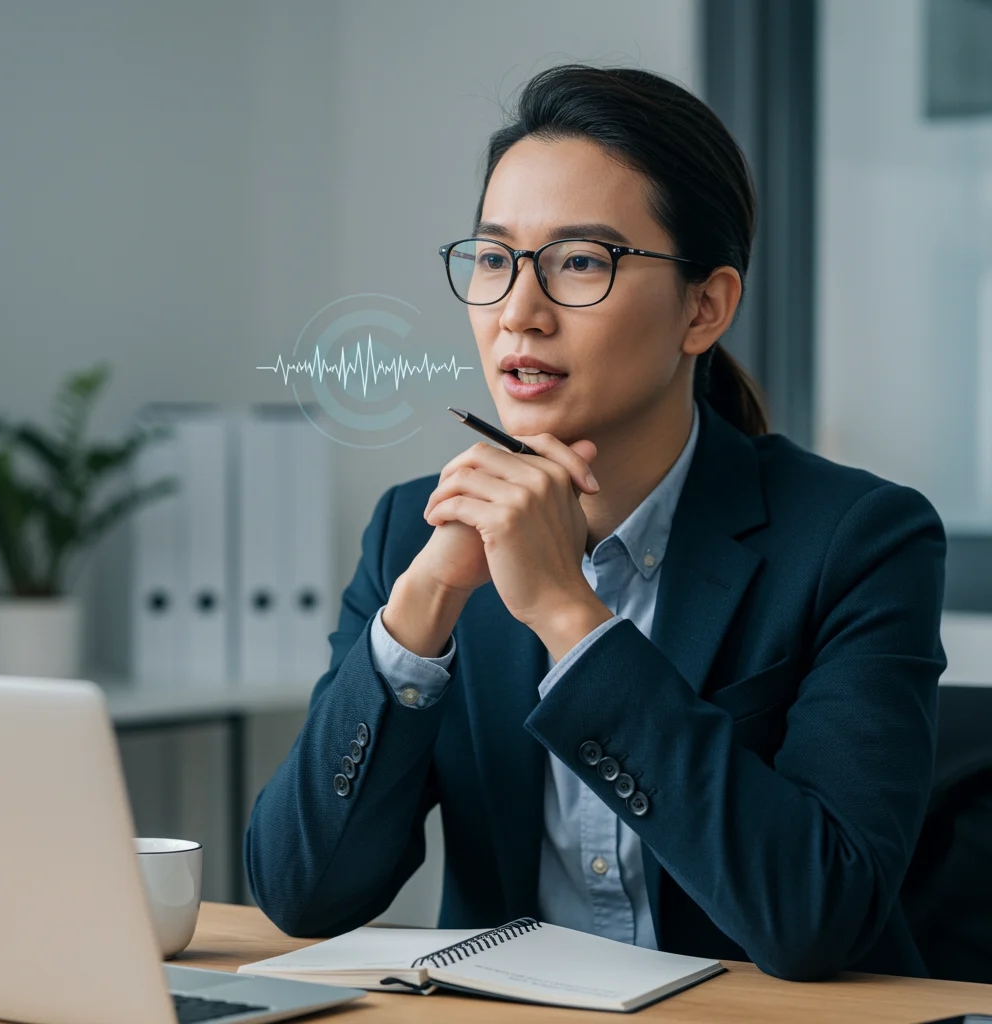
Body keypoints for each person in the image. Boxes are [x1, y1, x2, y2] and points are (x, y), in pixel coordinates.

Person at [243, 63, 947, 983]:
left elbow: (817, 915)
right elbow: (300, 894)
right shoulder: (413, 532)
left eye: (580, 261)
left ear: (704, 307)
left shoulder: (861, 539)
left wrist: (569, 618)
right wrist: (423, 606)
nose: (518, 314)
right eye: (493, 259)